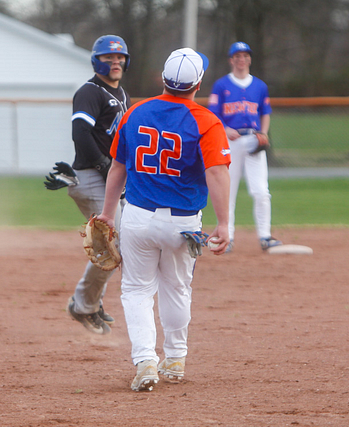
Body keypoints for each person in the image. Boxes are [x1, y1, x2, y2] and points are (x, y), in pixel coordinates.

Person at [97, 48, 231, 392]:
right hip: (182, 224)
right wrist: (224, 223)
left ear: (163, 78)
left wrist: (107, 214)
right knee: (177, 288)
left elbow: (117, 167)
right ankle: (174, 359)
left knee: (136, 290)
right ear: (198, 84)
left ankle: (145, 361)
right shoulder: (206, 121)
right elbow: (217, 172)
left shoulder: (136, 112)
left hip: (137, 218)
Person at [59, 35, 132, 335]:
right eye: (108, 57)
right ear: (95, 61)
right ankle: (84, 305)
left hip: (108, 178)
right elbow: (81, 133)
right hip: (92, 176)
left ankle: (89, 302)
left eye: (120, 57)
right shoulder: (89, 91)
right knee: (115, 243)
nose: (115, 61)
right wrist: (104, 167)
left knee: (115, 244)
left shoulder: (120, 93)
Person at [207, 41, 282, 252]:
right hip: (230, 142)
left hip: (253, 140)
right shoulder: (221, 85)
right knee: (228, 190)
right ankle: (227, 237)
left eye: (245, 56)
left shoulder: (260, 86)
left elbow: (265, 112)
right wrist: (224, 129)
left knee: (261, 191)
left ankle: (265, 236)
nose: (241, 59)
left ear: (249, 59)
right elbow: (213, 114)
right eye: (237, 56)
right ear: (231, 60)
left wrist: (264, 133)